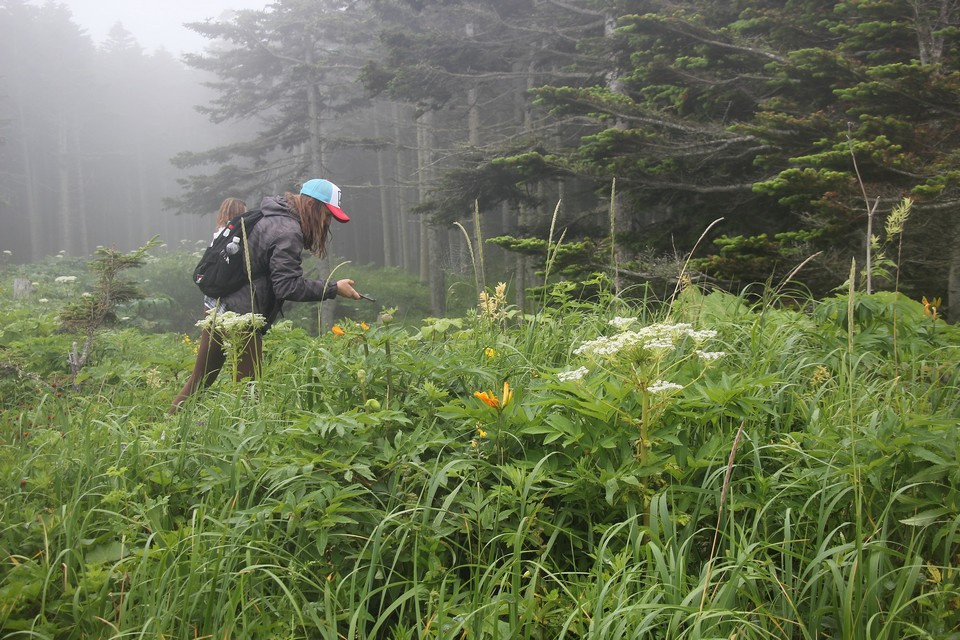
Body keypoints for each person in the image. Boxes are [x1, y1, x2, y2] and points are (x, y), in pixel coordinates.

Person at [170, 179, 361, 413]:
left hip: (216, 304)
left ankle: (167, 431)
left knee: (199, 382)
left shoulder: (271, 214)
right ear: (311, 204)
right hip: (239, 316)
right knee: (249, 393)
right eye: (327, 214)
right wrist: (333, 288)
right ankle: (243, 443)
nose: (327, 221)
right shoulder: (288, 231)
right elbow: (288, 287)